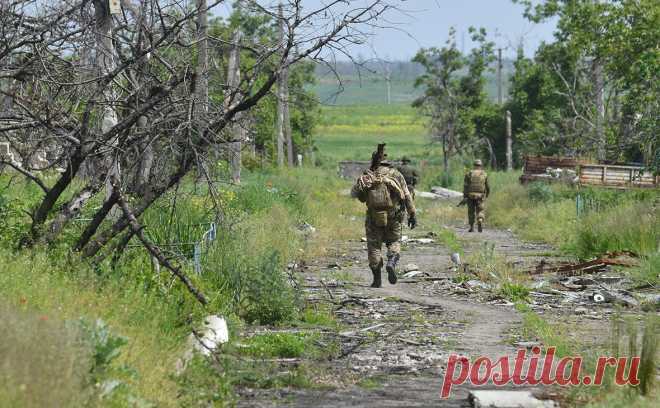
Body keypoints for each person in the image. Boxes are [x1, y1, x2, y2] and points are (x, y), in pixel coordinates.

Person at [351, 144, 417, 288]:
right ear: (387, 160)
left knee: (374, 247)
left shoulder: (368, 175)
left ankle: (377, 280)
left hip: (374, 217)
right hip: (394, 216)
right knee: (394, 242)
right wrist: (412, 214)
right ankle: (392, 262)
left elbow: (360, 197)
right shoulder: (395, 174)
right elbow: (406, 195)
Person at [463, 159, 490, 232]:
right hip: (480, 196)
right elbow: (487, 186)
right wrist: (486, 194)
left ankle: (472, 227)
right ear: (481, 166)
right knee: (480, 210)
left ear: (474, 165)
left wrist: (465, 196)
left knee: (471, 211)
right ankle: (480, 219)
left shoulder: (468, 173)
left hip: (470, 195)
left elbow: (465, 186)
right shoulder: (484, 174)